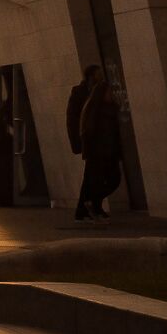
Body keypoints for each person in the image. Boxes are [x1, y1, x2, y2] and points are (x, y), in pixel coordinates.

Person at [78, 73, 124, 222]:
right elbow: (90, 132)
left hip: (106, 152)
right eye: (109, 92)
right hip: (99, 152)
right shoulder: (97, 111)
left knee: (95, 182)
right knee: (103, 180)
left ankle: (88, 207)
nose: (112, 94)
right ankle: (91, 207)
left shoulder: (106, 109)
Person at [67, 64, 97, 221]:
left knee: (93, 175)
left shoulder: (96, 92)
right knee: (94, 175)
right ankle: (88, 205)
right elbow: (73, 120)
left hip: (94, 141)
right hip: (90, 141)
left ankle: (87, 206)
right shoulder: (80, 93)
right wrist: (77, 143)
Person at [0, 98, 17, 207]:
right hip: (4, 152)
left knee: (1, 177)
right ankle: (5, 198)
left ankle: (2, 198)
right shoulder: (5, 135)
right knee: (5, 176)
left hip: (0, 152)